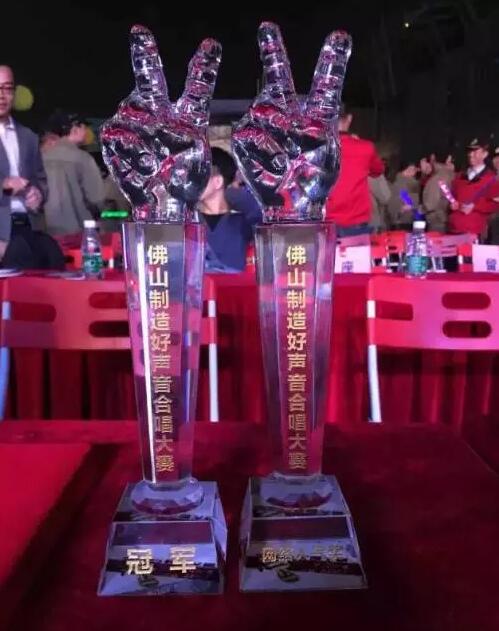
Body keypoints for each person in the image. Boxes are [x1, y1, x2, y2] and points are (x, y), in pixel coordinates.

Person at [0, 65, 46, 259]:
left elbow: (40, 180)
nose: (2, 95)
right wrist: (5, 186)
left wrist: (38, 194)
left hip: (29, 228)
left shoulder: (29, 136)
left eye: (7, 88)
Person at [325, 105, 384, 236]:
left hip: (326, 221)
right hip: (356, 220)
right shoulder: (366, 148)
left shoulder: (319, 149)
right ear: (349, 118)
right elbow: (378, 170)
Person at [198, 147, 261, 272]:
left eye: (201, 174)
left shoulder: (242, 221)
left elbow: (260, 213)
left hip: (237, 284)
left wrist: (233, 190)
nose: (193, 182)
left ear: (217, 181)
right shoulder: (190, 221)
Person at [42, 111, 104, 235]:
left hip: (47, 232)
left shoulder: (41, 157)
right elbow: (96, 199)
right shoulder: (83, 158)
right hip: (78, 231)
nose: (86, 131)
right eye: (84, 127)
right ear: (75, 129)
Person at [448, 138, 499, 237]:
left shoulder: (491, 179)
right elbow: (453, 197)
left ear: (485, 154)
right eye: (470, 151)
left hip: (475, 232)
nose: (471, 154)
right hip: (454, 229)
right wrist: (452, 204)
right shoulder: (459, 176)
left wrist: (475, 206)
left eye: (475, 151)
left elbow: (495, 206)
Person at [422, 152, 455, 233]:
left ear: (433, 159)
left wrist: (417, 210)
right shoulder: (452, 175)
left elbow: (430, 204)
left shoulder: (437, 178)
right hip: (448, 218)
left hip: (436, 220)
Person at [387, 159, 421, 230]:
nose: (411, 173)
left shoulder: (413, 183)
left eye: (413, 170)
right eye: (409, 170)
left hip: (410, 219)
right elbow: (395, 202)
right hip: (402, 221)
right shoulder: (399, 183)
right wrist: (401, 208)